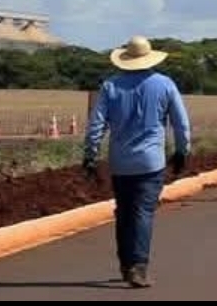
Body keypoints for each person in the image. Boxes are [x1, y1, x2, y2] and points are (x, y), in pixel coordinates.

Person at [82, 35, 192, 288]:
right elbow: (181, 123)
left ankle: (125, 263)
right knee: (143, 212)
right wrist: (182, 152)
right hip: (151, 162)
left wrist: (90, 155)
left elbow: (97, 124)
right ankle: (138, 266)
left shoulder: (111, 86)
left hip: (120, 161)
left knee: (124, 212)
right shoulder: (165, 84)